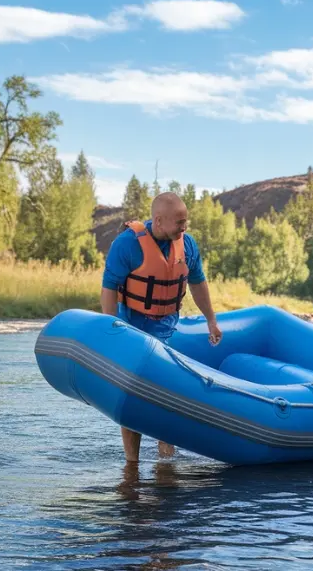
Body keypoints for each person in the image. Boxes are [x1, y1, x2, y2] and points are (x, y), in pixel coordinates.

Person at [101, 192, 223, 463]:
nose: (185, 226)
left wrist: (211, 320)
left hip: (166, 327)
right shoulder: (127, 245)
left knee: (166, 392)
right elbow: (109, 286)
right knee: (134, 395)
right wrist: (110, 329)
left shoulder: (187, 245)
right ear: (158, 221)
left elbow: (198, 283)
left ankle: (165, 460)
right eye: (179, 222)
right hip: (132, 328)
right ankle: (131, 463)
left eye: (186, 220)